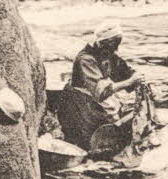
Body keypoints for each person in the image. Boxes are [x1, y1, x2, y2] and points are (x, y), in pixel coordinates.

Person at [57, 21, 145, 156]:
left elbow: (124, 73)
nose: (116, 49)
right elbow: (101, 92)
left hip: (95, 100)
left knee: (119, 123)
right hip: (79, 104)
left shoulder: (108, 53)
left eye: (118, 44)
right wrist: (129, 82)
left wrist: (137, 79)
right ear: (103, 43)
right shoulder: (86, 59)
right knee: (93, 143)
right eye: (114, 44)